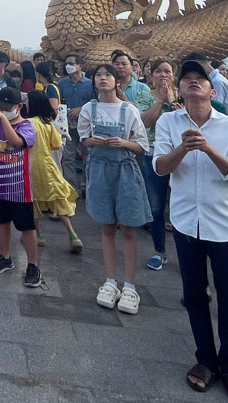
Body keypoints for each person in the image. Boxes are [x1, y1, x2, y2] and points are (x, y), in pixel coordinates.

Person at [153, 60, 228, 401]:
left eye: (200, 80)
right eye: (188, 80)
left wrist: (208, 148)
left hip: (223, 224)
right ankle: (206, 360)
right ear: (179, 90)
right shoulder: (169, 122)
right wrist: (183, 147)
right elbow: (161, 167)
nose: (193, 83)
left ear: (213, 89)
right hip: (185, 221)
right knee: (194, 294)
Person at [80, 63, 152, 314]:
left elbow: (142, 145)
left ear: (116, 81)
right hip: (100, 170)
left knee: (129, 228)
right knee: (106, 226)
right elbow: (84, 140)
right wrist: (92, 141)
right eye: (98, 75)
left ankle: (130, 285)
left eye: (107, 75)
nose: (102, 79)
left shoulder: (128, 110)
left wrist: (123, 142)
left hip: (125, 170)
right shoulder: (89, 108)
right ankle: (110, 281)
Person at [0, 87, 42, 286]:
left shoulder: (27, 126)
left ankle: (32, 264)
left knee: (26, 226)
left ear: (19, 107)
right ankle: (4, 256)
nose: (4, 110)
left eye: (9, 107)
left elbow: (16, 142)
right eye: (1, 107)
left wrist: (4, 119)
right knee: (1, 221)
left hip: (19, 187)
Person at [135, 59, 181, 271]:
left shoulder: (183, 95)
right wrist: (160, 102)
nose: (163, 75)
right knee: (156, 206)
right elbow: (144, 122)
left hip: (181, 156)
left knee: (182, 205)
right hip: (153, 154)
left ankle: (186, 253)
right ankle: (159, 251)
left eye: (167, 71)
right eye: (159, 71)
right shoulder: (144, 95)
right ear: (151, 75)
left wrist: (174, 103)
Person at [27, 90, 82, 253]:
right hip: (48, 166)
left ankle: (38, 235)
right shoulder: (48, 124)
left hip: (30, 167)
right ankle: (73, 235)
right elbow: (56, 145)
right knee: (59, 199)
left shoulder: (27, 123)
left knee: (33, 202)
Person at [57, 52, 95, 189]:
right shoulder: (62, 83)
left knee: (87, 157)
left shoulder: (90, 84)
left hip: (86, 125)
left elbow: (95, 102)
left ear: (80, 66)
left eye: (71, 63)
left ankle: (86, 185)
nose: (68, 66)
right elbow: (58, 102)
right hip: (68, 125)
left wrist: (81, 109)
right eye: (66, 63)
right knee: (67, 158)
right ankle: (71, 187)